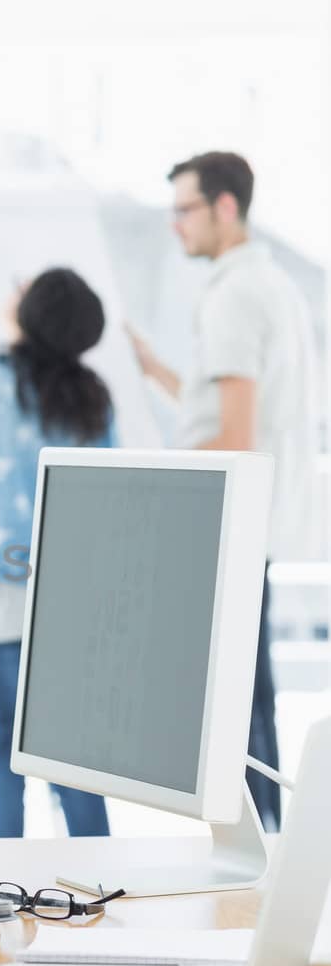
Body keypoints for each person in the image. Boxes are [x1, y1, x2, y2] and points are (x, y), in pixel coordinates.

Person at [129, 152, 318, 831]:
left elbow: (233, 436)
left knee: (233, 708)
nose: (175, 224)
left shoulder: (234, 295)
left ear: (225, 207)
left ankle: (256, 860)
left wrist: (153, 473)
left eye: (184, 209)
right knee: (249, 700)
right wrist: (154, 372)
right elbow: (235, 412)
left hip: (233, 523)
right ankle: (264, 852)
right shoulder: (269, 284)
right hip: (259, 520)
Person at [0, 268, 116, 839]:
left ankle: (0, 905)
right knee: (77, 769)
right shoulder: (93, 399)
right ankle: (104, 893)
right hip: (67, 599)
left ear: (29, 315)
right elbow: (109, 493)